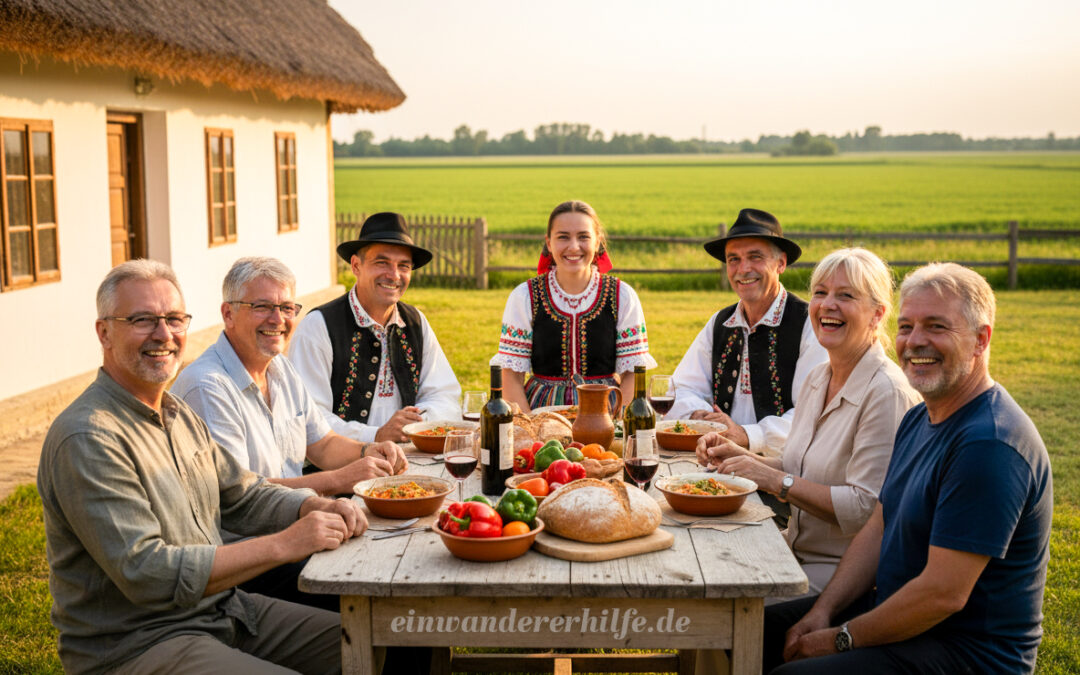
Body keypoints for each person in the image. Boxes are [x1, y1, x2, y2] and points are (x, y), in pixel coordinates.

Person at [37, 260, 366, 674]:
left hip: (222, 610)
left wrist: (308, 507)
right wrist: (287, 542)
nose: (163, 334)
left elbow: (240, 492)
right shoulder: (88, 436)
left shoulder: (174, 411)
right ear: (104, 332)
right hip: (140, 643)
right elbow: (147, 571)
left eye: (174, 319)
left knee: (379, 643)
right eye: (142, 320)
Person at [763, 263, 1052, 675]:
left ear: (980, 339)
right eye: (907, 327)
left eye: (936, 327)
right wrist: (822, 612)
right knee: (750, 632)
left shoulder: (989, 444)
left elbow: (941, 595)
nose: (916, 342)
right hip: (901, 616)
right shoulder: (921, 418)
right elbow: (880, 524)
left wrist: (840, 636)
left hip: (964, 652)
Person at [172, 256, 409, 610]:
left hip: (298, 530)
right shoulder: (208, 387)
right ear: (228, 314)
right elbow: (239, 496)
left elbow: (323, 443)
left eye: (286, 307)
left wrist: (369, 452)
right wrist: (338, 480)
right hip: (247, 560)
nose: (277, 319)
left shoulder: (279, 367)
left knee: (399, 566)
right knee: (382, 597)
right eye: (262, 306)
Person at [698, 248, 920, 596]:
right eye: (820, 293)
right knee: (704, 570)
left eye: (845, 295)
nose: (827, 305)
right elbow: (798, 465)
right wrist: (741, 459)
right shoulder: (819, 377)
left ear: (877, 315)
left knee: (721, 602)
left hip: (841, 576)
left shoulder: (887, 392)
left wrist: (771, 478)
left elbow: (864, 509)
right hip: (793, 549)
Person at [669, 208, 828, 458]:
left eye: (755, 257)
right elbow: (679, 388)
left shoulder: (809, 323)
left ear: (781, 263)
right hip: (721, 464)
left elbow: (813, 412)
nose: (743, 269)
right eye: (733, 259)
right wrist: (699, 415)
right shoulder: (721, 322)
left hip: (786, 471)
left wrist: (747, 435)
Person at [290, 212, 461, 443]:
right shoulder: (318, 327)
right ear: (356, 265)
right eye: (382, 263)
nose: (394, 275)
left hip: (408, 458)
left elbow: (445, 395)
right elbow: (309, 418)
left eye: (404, 266)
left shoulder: (415, 322)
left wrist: (413, 425)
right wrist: (376, 436)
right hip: (338, 469)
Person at [491, 200, 656, 411]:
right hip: (541, 412)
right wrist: (530, 425)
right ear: (549, 243)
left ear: (598, 242)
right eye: (563, 237)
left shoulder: (622, 296)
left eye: (583, 237)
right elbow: (511, 377)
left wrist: (617, 425)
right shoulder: (525, 296)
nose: (574, 246)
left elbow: (633, 374)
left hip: (606, 410)